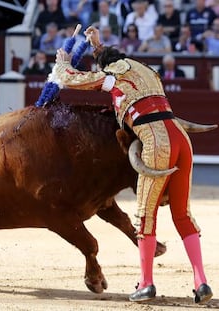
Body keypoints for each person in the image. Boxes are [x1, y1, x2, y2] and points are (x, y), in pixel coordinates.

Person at [52, 25, 213, 304]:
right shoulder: (147, 70)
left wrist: (63, 60)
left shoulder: (111, 78)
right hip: (181, 138)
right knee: (182, 214)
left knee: (145, 217)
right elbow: (114, 59)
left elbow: (69, 79)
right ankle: (201, 282)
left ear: (106, 66)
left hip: (154, 140)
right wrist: (98, 46)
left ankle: (147, 283)